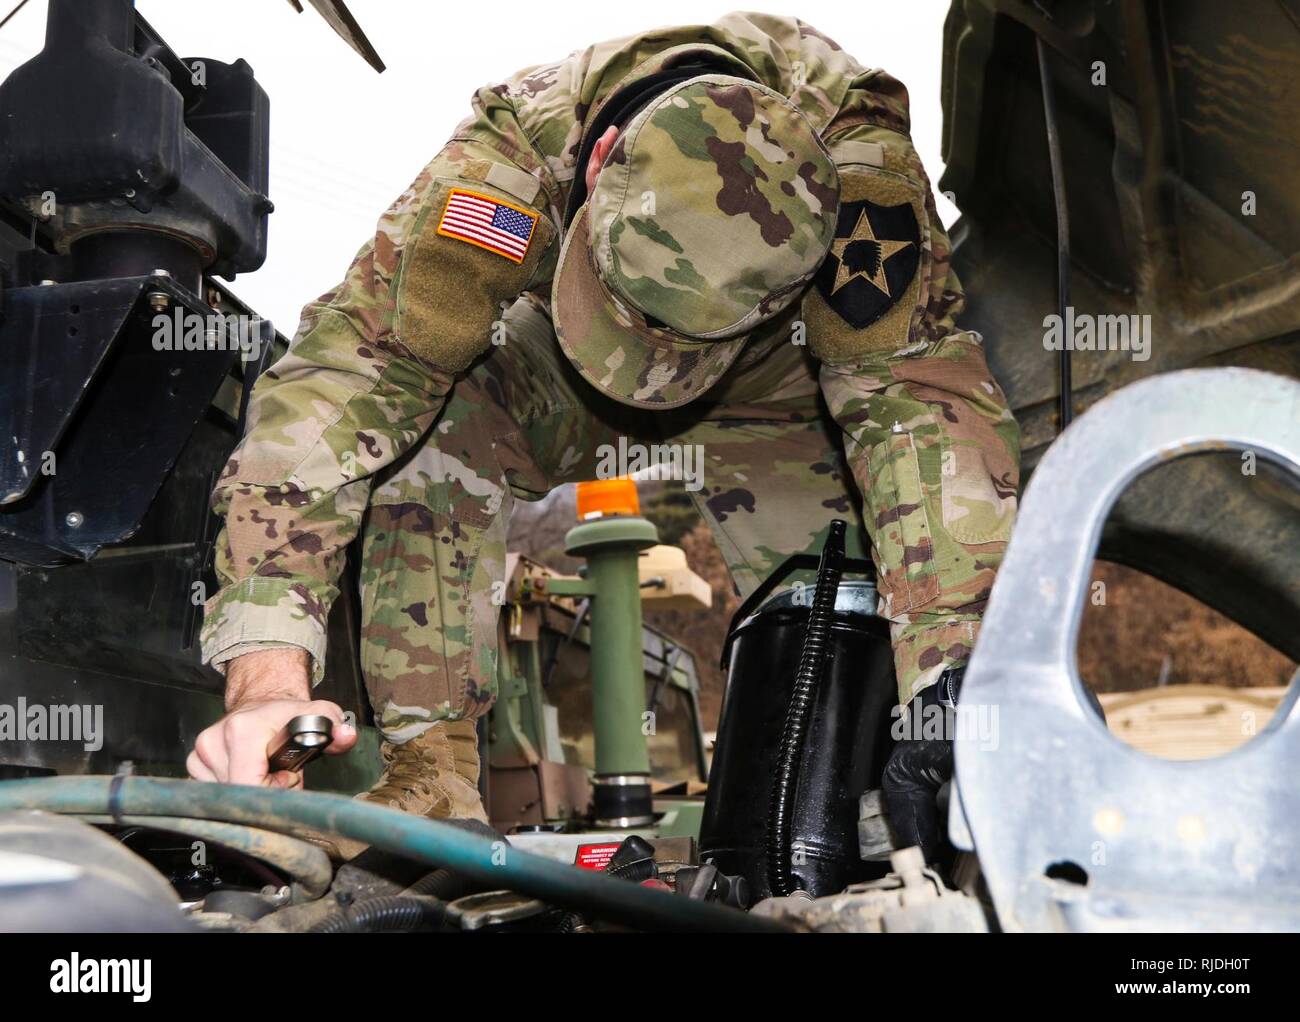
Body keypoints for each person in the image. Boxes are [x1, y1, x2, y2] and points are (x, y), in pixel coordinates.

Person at [188, 12, 1021, 830]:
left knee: (839, 634)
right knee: (432, 417)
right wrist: (268, 678)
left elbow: (914, 404)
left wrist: (957, 683)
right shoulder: (506, 166)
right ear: (595, 166)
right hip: (569, 380)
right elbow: (347, 380)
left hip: (782, 388)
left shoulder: (855, 157)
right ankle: (430, 779)